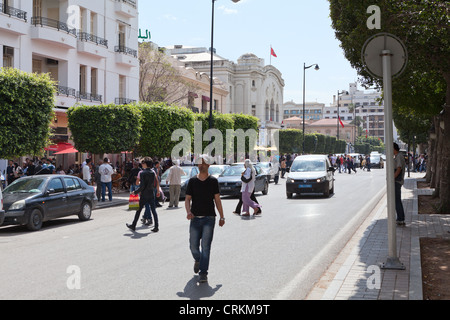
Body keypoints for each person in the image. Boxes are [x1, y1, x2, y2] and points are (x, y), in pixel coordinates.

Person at [185, 154, 225, 283]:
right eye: (199, 163)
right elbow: (187, 199)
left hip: (209, 218)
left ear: (208, 165)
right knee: (193, 247)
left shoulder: (213, 181)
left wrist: (222, 216)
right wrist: (188, 211)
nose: (200, 165)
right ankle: (198, 259)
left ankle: (203, 273)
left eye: (203, 163)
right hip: (195, 218)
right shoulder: (192, 181)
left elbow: (217, 200)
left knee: (206, 247)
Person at [127, 158, 160, 232]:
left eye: (143, 163)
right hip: (151, 193)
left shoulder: (142, 173)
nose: (141, 164)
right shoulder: (153, 172)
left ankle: (133, 225)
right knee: (153, 210)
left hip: (144, 194)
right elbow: (156, 182)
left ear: (145, 164)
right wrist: (158, 191)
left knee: (138, 210)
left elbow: (142, 186)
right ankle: (156, 226)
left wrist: (135, 192)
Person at [394, 143, 406, 226]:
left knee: (397, 200)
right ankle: (400, 217)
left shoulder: (399, 156)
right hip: (397, 181)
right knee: (397, 200)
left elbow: (399, 168)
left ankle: (400, 218)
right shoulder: (397, 156)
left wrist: (392, 178)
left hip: (397, 181)